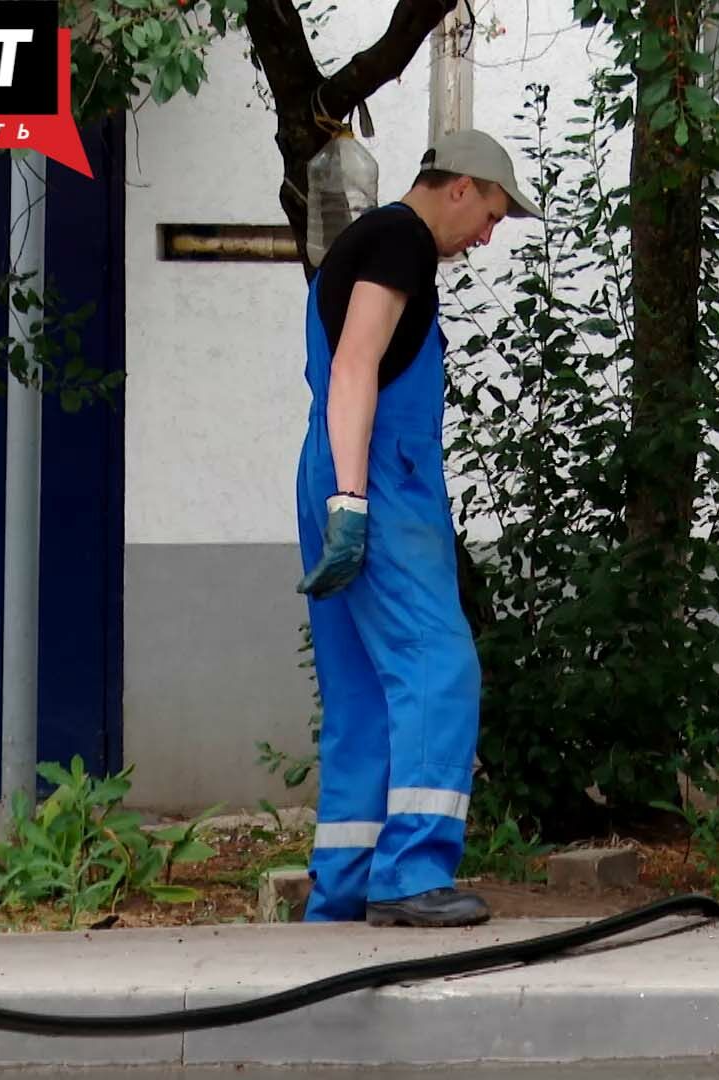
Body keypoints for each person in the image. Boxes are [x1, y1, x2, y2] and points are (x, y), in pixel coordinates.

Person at [293, 130, 540, 927]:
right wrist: (356, 501)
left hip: (336, 465)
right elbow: (357, 364)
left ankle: (347, 882)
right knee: (439, 666)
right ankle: (411, 874)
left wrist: (337, 492)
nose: (487, 236)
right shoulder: (400, 239)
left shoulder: (359, 244)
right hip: (377, 477)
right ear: (459, 186)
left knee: (363, 692)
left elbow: (343, 369)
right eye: (492, 214)